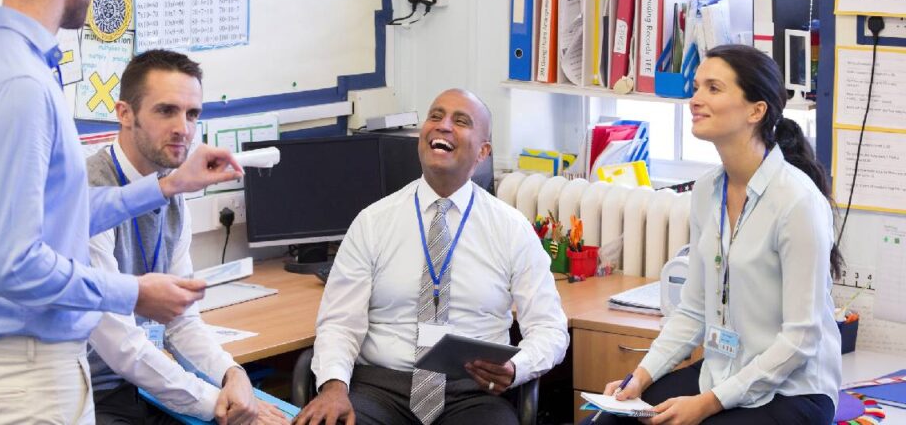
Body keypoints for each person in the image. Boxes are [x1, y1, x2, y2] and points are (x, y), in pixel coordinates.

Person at [0, 0, 243, 423]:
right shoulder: (20, 85)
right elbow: (15, 263)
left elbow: (59, 213)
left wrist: (168, 186)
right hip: (24, 368)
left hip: (6, 359)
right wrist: (133, 293)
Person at [585, 44, 841, 424]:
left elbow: (801, 339)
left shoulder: (797, 202)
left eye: (713, 89)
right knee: (611, 421)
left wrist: (709, 403)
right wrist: (639, 377)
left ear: (756, 111)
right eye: (696, 87)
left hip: (792, 390)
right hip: (720, 373)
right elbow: (693, 311)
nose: (695, 100)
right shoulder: (707, 191)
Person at [294, 89, 569, 425]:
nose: (444, 126)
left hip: (471, 394)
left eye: (461, 121)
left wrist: (517, 367)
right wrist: (333, 387)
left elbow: (550, 329)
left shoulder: (511, 229)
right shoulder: (373, 222)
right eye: (435, 116)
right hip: (381, 388)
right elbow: (339, 323)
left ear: (483, 151)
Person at [85, 50, 289, 425]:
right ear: (125, 113)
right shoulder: (91, 192)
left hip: (149, 382)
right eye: (166, 111)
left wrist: (234, 375)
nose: (183, 128)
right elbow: (118, 344)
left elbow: (182, 320)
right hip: (94, 392)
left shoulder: (173, 189)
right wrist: (218, 402)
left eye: (192, 114)